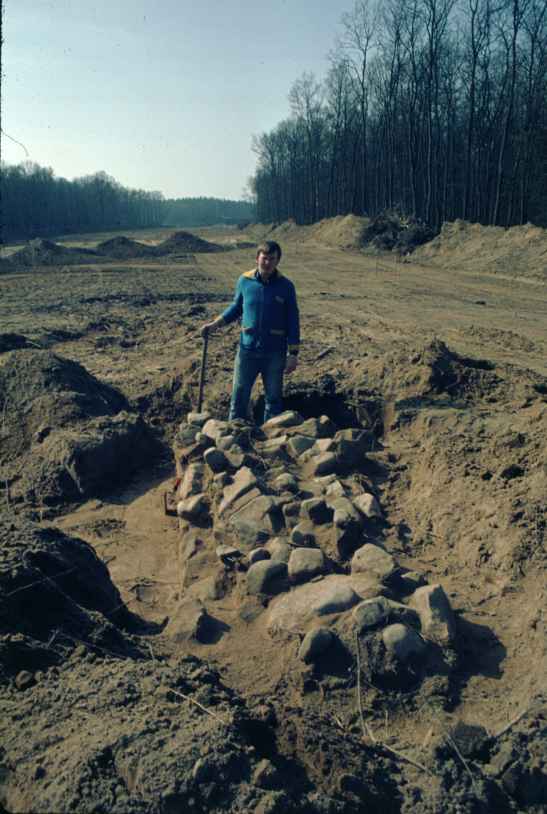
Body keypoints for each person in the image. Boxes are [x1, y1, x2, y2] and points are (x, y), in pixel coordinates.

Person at [201, 240, 300, 423]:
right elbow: (236, 308)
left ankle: (271, 437)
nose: (268, 263)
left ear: (278, 261)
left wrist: (293, 353)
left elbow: (293, 320)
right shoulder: (245, 281)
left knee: (273, 399)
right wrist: (214, 324)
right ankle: (233, 434)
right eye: (264, 258)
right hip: (247, 350)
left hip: (275, 353)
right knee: (239, 396)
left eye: (272, 259)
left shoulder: (286, 286)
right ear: (257, 258)